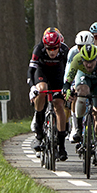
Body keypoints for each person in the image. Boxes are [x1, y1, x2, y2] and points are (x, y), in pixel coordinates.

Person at [28, 28, 69, 159]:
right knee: (41, 90)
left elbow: (71, 69)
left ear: (59, 45)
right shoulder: (38, 49)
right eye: (49, 49)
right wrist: (32, 87)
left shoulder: (64, 50)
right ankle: (39, 125)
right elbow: (31, 70)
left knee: (59, 105)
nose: (52, 51)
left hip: (58, 75)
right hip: (42, 73)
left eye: (54, 48)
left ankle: (62, 146)